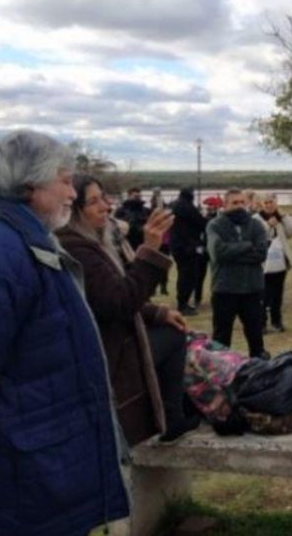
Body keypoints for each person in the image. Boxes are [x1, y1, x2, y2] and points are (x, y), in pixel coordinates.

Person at [0, 130, 128, 533]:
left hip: (43, 464)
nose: (72, 193)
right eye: (64, 180)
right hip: (19, 475)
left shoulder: (18, 238)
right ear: (28, 184)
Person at [57, 175, 200, 444]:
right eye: (93, 201)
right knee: (172, 337)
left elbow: (113, 295)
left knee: (169, 326)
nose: (105, 207)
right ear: (74, 210)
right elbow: (120, 302)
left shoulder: (89, 241)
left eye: (104, 198)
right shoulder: (77, 247)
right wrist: (149, 251)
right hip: (106, 354)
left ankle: (170, 413)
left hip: (105, 344)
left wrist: (157, 313)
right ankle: (169, 419)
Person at [207, 188, 269, 358]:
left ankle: (260, 374)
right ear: (225, 205)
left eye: (242, 202)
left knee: (256, 337)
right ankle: (219, 377)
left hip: (252, 289)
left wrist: (232, 252)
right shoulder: (215, 225)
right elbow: (218, 253)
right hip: (225, 289)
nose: (240, 206)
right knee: (221, 339)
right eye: (235, 203)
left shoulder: (255, 224)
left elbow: (261, 253)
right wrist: (247, 246)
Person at [258, 195, 292, 332]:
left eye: (271, 202)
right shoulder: (256, 219)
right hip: (263, 263)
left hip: (280, 262)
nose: (269, 205)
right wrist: (267, 225)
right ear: (261, 204)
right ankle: (261, 323)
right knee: (262, 294)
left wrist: (284, 216)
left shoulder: (280, 218)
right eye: (266, 202)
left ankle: (277, 321)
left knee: (277, 294)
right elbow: (253, 235)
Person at [170, 187, 207, 315]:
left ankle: (183, 302)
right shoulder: (188, 208)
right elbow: (201, 223)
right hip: (189, 247)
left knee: (183, 275)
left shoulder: (174, 205)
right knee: (188, 276)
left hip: (176, 245)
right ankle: (183, 304)